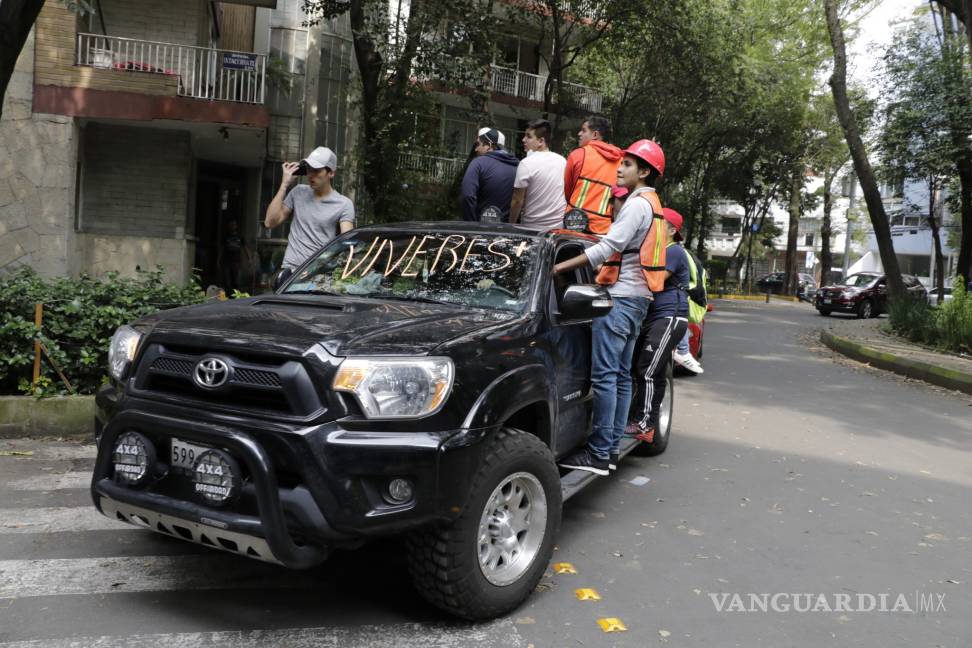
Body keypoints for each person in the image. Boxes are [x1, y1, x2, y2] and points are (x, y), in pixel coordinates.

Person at [552, 139, 666, 476]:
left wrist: (559, 268)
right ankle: (611, 446)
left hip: (620, 300)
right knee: (619, 377)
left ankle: (600, 452)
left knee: (604, 377)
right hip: (638, 300)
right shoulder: (651, 203)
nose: (619, 168)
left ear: (644, 171)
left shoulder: (636, 204)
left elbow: (609, 247)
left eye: (627, 165)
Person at [627, 207, 692, 441]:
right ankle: (646, 422)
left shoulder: (673, 251)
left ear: (672, 230)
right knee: (652, 370)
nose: (652, 228)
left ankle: (644, 424)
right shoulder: (659, 250)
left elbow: (655, 281)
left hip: (669, 318)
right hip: (657, 318)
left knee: (647, 370)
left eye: (658, 224)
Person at [264, 146, 355, 274]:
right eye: (309, 169)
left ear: (331, 173)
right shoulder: (298, 192)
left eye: (317, 170)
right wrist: (284, 185)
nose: (311, 175)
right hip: (291, 270)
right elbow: (270, 222)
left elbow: (347, 243)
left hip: (318, 273)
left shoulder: (344, 204)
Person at [563, 116, 624, 235]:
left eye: (584, 130)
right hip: (604, 230)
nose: (579, 133)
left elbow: (567, 190)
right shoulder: (621, 161)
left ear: (595, 135)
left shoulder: (578, 155)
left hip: (574, 225)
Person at [510, 119, 566, 230]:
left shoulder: (526, 163)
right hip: (558, 229)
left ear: (541, 141)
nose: (523, 140)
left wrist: (510, 224)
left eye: (528, 137)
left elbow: (517, 200)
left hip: (531, 229)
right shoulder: (563, 161)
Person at [460, 128, 519, 223]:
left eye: (478, 144)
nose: (475, 149)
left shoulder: (478, 163)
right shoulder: (518, 167)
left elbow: (467, 195)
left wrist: (471, 224)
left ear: (489, 145)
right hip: (507, 232)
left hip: (481, 231)